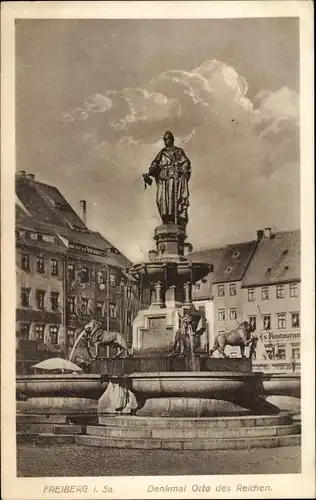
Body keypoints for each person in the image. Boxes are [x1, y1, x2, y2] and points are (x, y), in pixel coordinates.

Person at [143, 131, 191, 226]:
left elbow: (186, 162)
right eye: (164, 140)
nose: (166, 142)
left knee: (172, 200)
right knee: (160, 199)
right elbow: (155, 164)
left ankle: (172, 220)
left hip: (173, 179)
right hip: (163, 179)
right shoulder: (162, 152)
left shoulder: (178, 151)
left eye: (167, 139)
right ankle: (165, 219)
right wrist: (151, 171)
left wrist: (181, 169)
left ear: (172, 140)